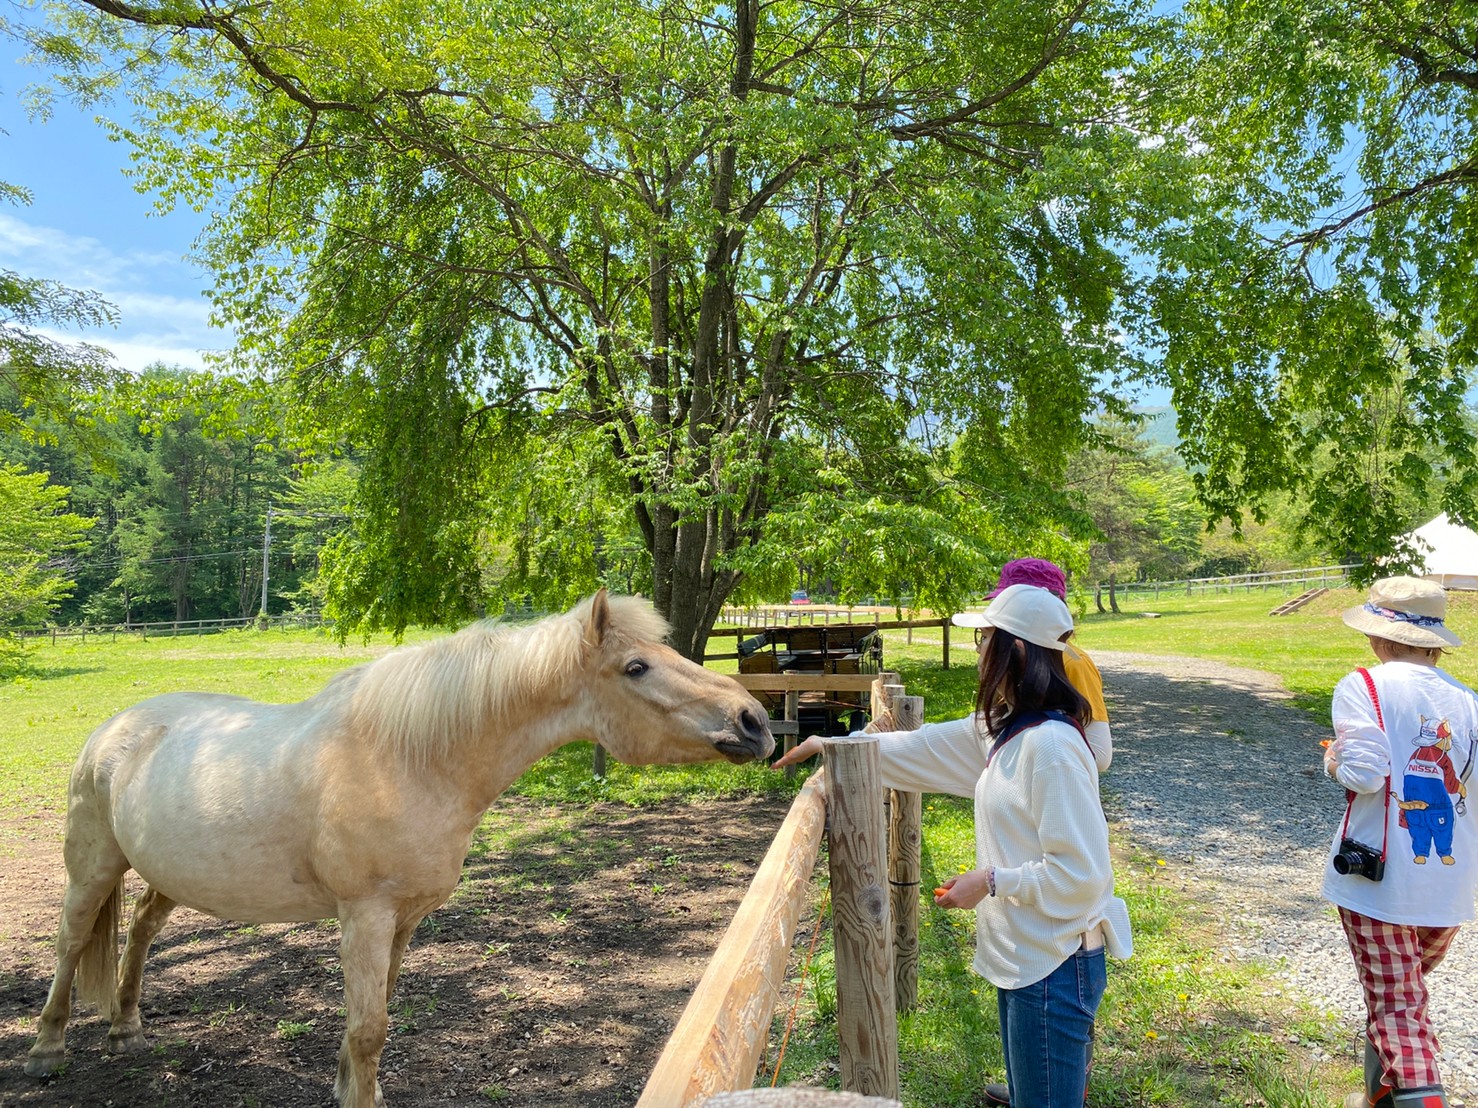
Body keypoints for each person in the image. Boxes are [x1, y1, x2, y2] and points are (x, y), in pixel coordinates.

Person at [773, 584, 1132, 1107]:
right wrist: (835, 745)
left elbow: (1082, 877)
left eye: (986, 638)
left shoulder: (1052, 748)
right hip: (1029, 958)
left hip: (1057, 965)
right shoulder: (1005, 730)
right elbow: (920, 748)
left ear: (1021, 651)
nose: (979, 651)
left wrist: (991, 882)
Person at [1322, 576, 1478, 1108]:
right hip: (1448, 891)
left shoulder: (1363, 685)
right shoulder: (1468, 700)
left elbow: (1364, 774)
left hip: (1378, 879)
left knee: (1396, 1007)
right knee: (1403, 997)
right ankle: (1379, 1095)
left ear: (1384, 640)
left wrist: (1335, 759)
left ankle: (1418, 1095)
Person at [951, 557, 1113, 774]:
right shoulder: (1013, 662)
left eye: (1012, 602)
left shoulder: (1073, 663)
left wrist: (1039, 755)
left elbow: (1100, 755)